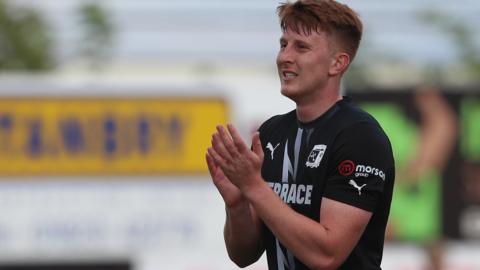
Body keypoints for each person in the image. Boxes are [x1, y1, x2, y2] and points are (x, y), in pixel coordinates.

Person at [206, 0, 395, 269]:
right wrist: (237, 207)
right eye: (283, 44)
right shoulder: (271, 134)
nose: (284, 57)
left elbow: (327, 255)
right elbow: (243, 255)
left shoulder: (360, 137)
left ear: (337, 63)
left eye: (301, 47)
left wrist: (254, 187)